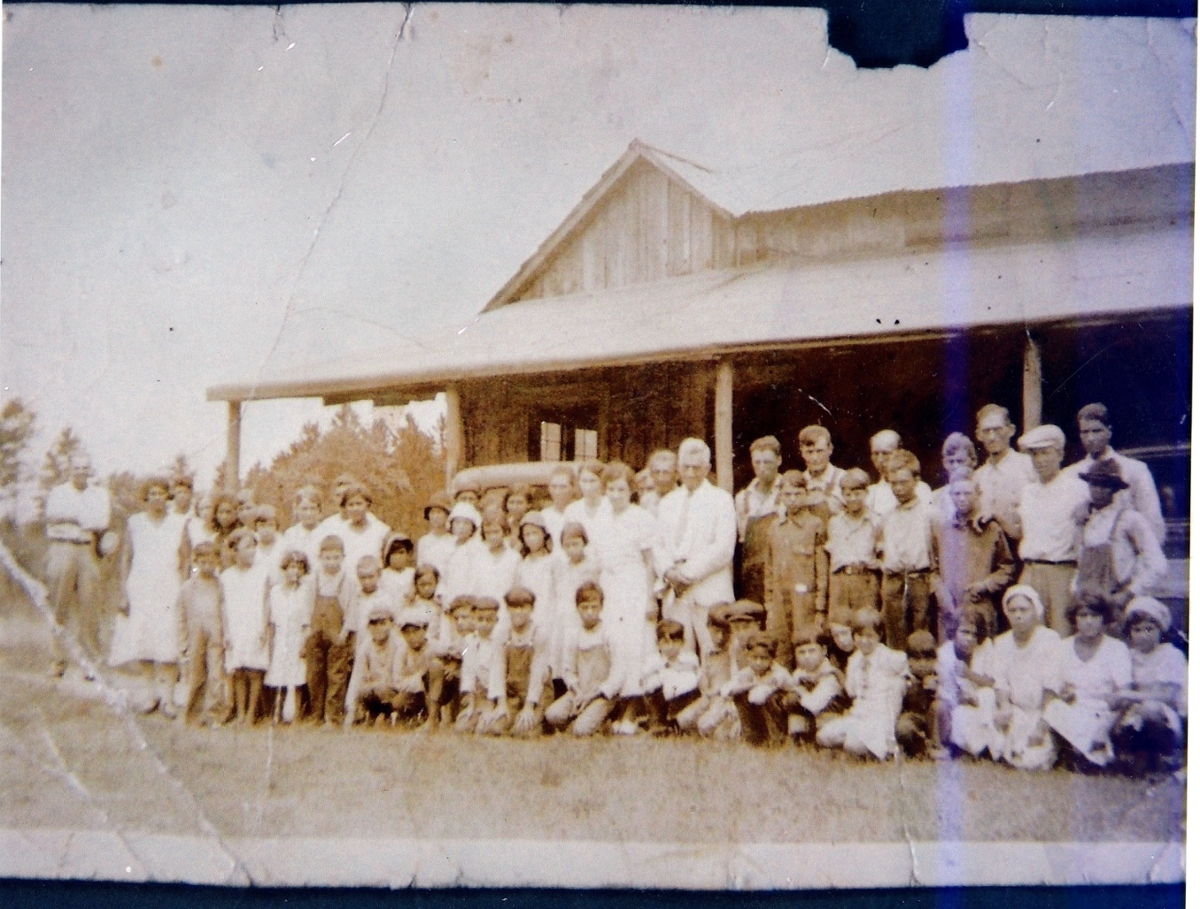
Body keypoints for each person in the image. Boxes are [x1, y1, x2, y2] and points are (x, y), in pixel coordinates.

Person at [108, 477, 187, 714]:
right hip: (141, 587)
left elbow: (185, 560)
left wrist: (182, 589)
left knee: (169, 644)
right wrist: (123, 592)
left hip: (169, 587)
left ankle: (169, 699)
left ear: (167, 497)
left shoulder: (179, 522)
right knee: (143, 641)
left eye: (161, 493)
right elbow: (126, 559)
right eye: (152, 493)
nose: (157, 498)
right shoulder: (135, 523)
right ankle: (150, 694)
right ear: (145, 497)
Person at [653, 438, 737, 659]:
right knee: (679, 657)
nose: (690, 473)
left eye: (696, 467)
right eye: (686, 467)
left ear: (707, 468)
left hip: (708, 591)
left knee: (715, 654)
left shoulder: (721, 500)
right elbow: (658, 545)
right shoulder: (667, 502)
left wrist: (686, 574)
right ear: (678, 468)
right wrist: (669, 573)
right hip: (675, 594)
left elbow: (723, 549)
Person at [594, 462, 658, 719]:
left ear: (631, 490)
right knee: (614, 643)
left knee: (636, 645)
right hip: (610, 586)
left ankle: (635, 709)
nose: (616, 495)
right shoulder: (601, 516)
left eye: (621, 489)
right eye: (611, 489)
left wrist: (651, 597)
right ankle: (615, 704)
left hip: (634, 584)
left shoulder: (641, 518)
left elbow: (650, 561)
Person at [1015, 424, 1091, 635]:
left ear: (1060, 453)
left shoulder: (1077, 489)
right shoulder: (1028, 492)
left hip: (1061, 572)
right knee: (1030, 635)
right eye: (1035, 455)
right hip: (1030, 571)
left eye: (1045, 453)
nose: (1040, 460)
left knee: (1062, 635)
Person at [1043, 590, 1132, 770]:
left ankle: (1084, 752)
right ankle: (1090, 752)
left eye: (1095, 615)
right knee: (1053, 709)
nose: (1089, 621)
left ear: (1104, 618)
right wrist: (1061, 697)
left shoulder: (1116, 649)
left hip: (1104, 715)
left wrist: (1104, 728)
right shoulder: (1062, 647)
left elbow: (1125, 695)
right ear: (1074, 618)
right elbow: (1050, 692)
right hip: (1072, 714)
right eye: (1083, 615)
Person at [43, 452, 112, 675]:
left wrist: (72, 518)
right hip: (62, 547)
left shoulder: (98, 494)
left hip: (86, 548)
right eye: (77, 468)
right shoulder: (58, 492)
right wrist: (78, 518)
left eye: (85, 468)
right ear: (69, 469)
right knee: (58, 605)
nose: (81, 472)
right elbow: (52, 516)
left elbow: (101, 521)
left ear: (89, 471)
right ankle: (57, 661)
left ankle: (90, 664)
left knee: (89, 606)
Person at [929, 469, 1015, 640]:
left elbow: (1007, 568)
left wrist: (985, 585)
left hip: (979, 608)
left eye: (967, 493)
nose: (962, 498)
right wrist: (942, 594)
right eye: (957, 493)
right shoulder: (941, 529)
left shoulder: (990, 529)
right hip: (949, 609)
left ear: (978, 494)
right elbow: (933, 569)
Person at [1065, 403, 1166, 545]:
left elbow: (1153, 522)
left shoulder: (1135, 470)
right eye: (1085, 432)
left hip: (1124, 556)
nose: (1090, 438)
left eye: (1097, 431)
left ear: (1109, 431)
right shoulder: (1071, 474)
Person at [815, 608, 908, 760]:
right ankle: (856, 751)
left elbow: (906, 672)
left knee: (853, 745)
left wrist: (901, 684)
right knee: (823, 736)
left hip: (879, 718)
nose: (864, 641)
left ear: (879, 636)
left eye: (870, 636)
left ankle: (883, 750)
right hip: (858, 715)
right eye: (859, 636)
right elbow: (852, 692)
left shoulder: (889, 658)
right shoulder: (854, 660)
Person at [1075, 460, 1167, 608]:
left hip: (1116, 603)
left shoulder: (1129, 519)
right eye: (1094, 484)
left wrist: (1129, 593)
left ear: (1114, 489)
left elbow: (1158, 564)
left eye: (1104, 485)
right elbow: (1079, 567)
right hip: (1087, 606)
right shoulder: (1087, 520)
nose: (1098, 489)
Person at [988, 586, 1062, 771]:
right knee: (985, 698)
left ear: (1035, 611)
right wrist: (1004, 706)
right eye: (1012, 611)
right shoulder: (1002, 642)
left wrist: (1041, 727)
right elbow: (1000, 681)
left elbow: (1051, 688)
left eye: (1023, 610)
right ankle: (1005, 747)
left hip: (1042, 713)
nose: (1018, 615)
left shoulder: (1050, 640)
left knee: (1032, 760)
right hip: (1014, 711)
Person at [1112, 597, 1187, 775]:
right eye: (1137, 630)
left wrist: (1131, 696)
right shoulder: (1128, 656)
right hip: (1133, 713)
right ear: (1129, 632)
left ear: (1160, 630)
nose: (1143, 635)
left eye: (1149, 629)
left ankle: (1158, 757)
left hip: (1164, 715)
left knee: (1149, 710)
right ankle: (1132, 757)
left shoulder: (1171, 655)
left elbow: (1168, 695)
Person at [762, 470, 829, 666]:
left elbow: (822, 572)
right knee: (781, 651)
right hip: (779, 602)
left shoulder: (815, 525)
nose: (792, 500)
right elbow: (769, 569)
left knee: (806, 649)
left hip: (805, 603)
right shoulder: (775, 527)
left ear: (806, 494)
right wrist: (769, 605)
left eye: (797, 494)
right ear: (781, 495)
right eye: (787, 494)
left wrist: (820, 609)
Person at [545, 582, 621, 736]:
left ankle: (603, 721)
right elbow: (568, 670)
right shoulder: (574, 634)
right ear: (577, 608)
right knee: (552, 714)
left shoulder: (609, 633)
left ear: (601, 607)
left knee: (581, 730)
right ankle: (578, 722)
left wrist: (595, 694)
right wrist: (577, 691)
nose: (589, 612)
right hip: (579, 692)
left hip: (601, 694)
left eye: (594, 607)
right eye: (584, 607)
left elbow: (618, 673)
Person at [877, 450, 934, 650]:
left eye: (903, 482)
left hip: (919, 582)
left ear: (916, 480)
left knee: (920, 637)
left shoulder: (929, 512)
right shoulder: (888, 516)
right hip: (893, 583)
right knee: (894, 638)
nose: (899, 488)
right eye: (894, 483)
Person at [304, 534, 357, 726]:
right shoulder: (313, 580)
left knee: (336, 675)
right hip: (316, 631)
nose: (332, 562)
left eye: (336, 558)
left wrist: (344, 633)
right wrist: (308, 630)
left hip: (337, 633)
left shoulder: (348, 581)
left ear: (343, 557)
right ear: (320, 557)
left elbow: (352, 609)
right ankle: (316, 715)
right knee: (314, 674)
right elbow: (307, 606)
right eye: (327, 558)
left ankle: (332, 717)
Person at [220, 529, 271, 724]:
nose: (252, 551)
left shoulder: (261, 573)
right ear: (234, 551)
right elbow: (224, 606)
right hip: (235, 626)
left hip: (255, 624)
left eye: (254, 547)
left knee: (254, 670)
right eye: (247, 547)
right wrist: (226, 631)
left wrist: (264, 627)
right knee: (238, 670)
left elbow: (266, 602)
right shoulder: (226, 576)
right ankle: (240, 712)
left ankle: (251, 714)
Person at [936, 608, 998, 759]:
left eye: (975, 634)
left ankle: (991, 748)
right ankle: (967, 750)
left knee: (987, 694)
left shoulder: (986, 647)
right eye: (965, 632)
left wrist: (969, 675)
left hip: (985, 705)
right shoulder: (945, 653)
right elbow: (946, 690)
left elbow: (993, 683)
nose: (970, 638)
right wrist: (963, 699)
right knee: (960, 715)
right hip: (960, 705)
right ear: (954, 632)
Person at [176, 541, 226, 726]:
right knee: (196, 675)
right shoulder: (189, 587)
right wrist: (183, 641)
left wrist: (225, 634)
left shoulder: (219, 585)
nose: (207, 566)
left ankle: (214, 714)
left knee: (216, 675)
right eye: (203, 562)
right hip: (195, 635)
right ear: (196, 561)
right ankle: (193, 714)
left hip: (215, 635)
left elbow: (224, 611)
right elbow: (181, 615)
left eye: (211, 562)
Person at [720, 631, 797, 747]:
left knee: (770, 697)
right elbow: (726, 690)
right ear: (747, 656)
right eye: (754, 657)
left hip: (782, 712)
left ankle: (776, 739)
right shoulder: (748, 672)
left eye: (764, 658)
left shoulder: (778, 673)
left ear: (772, 659)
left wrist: (754, 686)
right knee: (740, 695)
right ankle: (752, 737)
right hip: (760, 710)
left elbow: (759, 696)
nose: (758, 662)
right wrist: (748, 686)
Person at [973, 404, 1037, 544]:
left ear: (1011, 430)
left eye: (997, 429)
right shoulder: (978, 477)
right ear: (978, 435)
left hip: (1025, 547)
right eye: (986, 431)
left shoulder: (1028, 467)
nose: (992, 437)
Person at [825, 468, 880, 628]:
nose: (853, 499)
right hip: (840, 580)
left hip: (865, 580)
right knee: (839, 625)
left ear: (866, 493)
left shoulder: (875, 521)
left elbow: (881, 556)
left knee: (865, 625)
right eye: (848, 495)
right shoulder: (835, 523)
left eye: (857, 494)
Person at [265, 551, 315, 724]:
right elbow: (271, 621)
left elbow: (306, 621)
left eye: (299, 568)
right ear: (284, 569)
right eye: (292, 567)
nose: (295, 571)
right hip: (280, 638)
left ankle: (297, 716)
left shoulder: (304, 591)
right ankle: (276, 713)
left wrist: (304, 643)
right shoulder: (275, 591)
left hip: (297, 637)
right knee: (279, 674)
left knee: (298, 675)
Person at [549, 521, 601, 689]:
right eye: (567, 545)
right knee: (561, 653)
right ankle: (562, 689)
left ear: (584, 543)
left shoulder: (592, 566)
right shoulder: (560, 566)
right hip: (563, 615)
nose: (572, 549)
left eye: (576, 544)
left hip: (580, 614)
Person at [675, 605, 739, 739]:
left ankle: (721, 729)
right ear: (708, 627)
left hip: (723, 698)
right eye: (716, 631)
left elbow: (735, 679)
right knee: (683, 719)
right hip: (708, 697)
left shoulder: (732, 651)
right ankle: (700, 736)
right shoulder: (707, 649)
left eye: (725, 632)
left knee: (705, 724)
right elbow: (704, 676)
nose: (721, 637)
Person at [733, 436, 784, 604]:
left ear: (779, 460)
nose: (762, 468)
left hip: (781, 571)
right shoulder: (742, 498)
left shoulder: (788, 493)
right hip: (752, 576)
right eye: (757, 463)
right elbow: (742, 538)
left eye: (767, 462)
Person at [501, 586, 555, 737]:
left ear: (531, 609)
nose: (518, 612)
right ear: (508, 609)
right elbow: (497, 669)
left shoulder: (538, 634)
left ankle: (541, 722)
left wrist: (529, 706)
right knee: (495, 728)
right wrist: (500, 703)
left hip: (536, 695)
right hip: (513, 695)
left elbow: (538, 672)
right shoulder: (503, 633)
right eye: (513, 607)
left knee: (523, 732)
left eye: (523, 607)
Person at [316, 483, 392, 580]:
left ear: (367, 505)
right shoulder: (338, 532)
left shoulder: (381, 530)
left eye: (359, 504)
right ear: (345, 508)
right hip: (346, 586)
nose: (355, 508)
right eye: (351, 505)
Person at [344, 606, 405, 727]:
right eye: (373, 624)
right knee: (363, 690)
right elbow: (357, 678)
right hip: (374, 689)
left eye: (382, 623)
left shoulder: (399, 644)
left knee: (382, 689)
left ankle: (391, 717)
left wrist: (378, 680)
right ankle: (370, 715)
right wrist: (350, 710)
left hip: (395, 690)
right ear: (368, 627)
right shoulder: (365, 646)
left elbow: (398, 678)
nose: (378, 628)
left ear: (391, 625)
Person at [639, 619, 702, 735]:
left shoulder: (689, 659)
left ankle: (679, 724)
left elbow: (697, 676)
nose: (671, 646)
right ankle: (658, 723)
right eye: (666, 642)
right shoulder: (654, 661)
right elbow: (643, 678)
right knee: (654, 682)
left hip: (683, 697)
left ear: (683, 642)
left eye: (676, 642)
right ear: (658, 643)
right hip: (661, 700)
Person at [786, 631, 846, 744]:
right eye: (801, 652)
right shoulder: (800, 673)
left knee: (800, 697)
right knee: (792, 699)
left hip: (831, 720)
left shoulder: (830, 674)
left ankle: (825, 744)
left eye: (812, 651)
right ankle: (800, 740)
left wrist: (802, 692)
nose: (807, 657)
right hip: (811, 716)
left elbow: (814, 705)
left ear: (823, 650)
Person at [426, 596, 476, 730]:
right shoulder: (459, 639)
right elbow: (444, 648)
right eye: (456, 618)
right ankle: (432, 719)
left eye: (465, 617)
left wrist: (456, 666)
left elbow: (465, 653)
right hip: (461, 682)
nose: (460, 622)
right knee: (436, 666)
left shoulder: (479, 638)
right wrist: (452, 662)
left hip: (478, 688)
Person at [865, 430, 933, 518]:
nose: (880, 460)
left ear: (899, 451)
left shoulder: (920, 489)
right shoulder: (870, 493)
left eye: (885, 453)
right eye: (876, 454)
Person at [895, 630, 940, 757]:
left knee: (938, 707)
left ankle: (936, 746)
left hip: (933, 721)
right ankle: (922, 748)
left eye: (927, 660)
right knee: (903, 728)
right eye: (917, 659)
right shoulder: (904, 678)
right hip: (914, 717)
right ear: (908, 660)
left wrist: (938, 687)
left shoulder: (939, 675)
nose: (922, 664)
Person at [514, 512, 556, 634]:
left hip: (548, 614)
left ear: (544, 535)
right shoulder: (522, 564)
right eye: (527, 534)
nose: (531, 538)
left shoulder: (552, 561)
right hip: (528, 615)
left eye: (535, 533)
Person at [391, 613, 435, 727]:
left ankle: (432, 717)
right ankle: (410, 717)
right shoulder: (402, 651)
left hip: (431, 694)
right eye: (407, 633)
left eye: (415, 631)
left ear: (424, 630)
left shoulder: (433, 648)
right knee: (398, 701)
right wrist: (419, 678)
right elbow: (397, 681)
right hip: (412, 692)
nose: (411, 636)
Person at [442, 501, 485, 607]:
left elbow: (476, 579)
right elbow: (443, 575)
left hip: (468, 601)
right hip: (449, 599)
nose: (461, 527)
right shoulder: (447, 547)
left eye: (466, 523)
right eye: (457, 523)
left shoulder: (478, 549)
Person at [798, 425, 846, 516]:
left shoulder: (843, 478)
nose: (815, 458)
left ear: (830, 449)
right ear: (801, 452)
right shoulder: (799, 481)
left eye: (820, 451)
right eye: (809, 452)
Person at [563, 459, 614, 542]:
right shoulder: (572, 510)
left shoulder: (611, 506)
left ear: (602, 482)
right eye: (584, 481)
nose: (588, 486)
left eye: (592, 481)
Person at [930, 432, 978, 519]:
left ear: (973, 461)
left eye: (960, 461)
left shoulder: (981, 492)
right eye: (951, 462)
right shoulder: (936, 498)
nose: (955, 466)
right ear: (944, 463)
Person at [280, 486, 326, 569]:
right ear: (297, 510)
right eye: (304, 509)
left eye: (313, 508)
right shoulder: (290, 534)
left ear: (319, 510)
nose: (309, 513)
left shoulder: (326, 532)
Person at [415, 491, 457, 582]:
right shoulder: (424, 541)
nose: (435, 516)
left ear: (447, 515)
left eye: (439, 512)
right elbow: (420, 568)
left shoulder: (454, 541)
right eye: (432, 512)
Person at [541, 466, 577, 545]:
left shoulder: (580, 512)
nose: (558, 492)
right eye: (554, 486)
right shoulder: (544, 516)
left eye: (563, 487)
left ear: (573, 488)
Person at [380, 532, 416, 606]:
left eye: (401, 553)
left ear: (408, 554)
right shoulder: (382, 575)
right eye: (394, 553)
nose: (397, 557)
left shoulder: (413, 574)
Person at [639, 449, 678, 517]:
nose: (660, 478)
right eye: (657, 472)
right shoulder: (646, 501)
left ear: (676, 474)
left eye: (666, 472)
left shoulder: (683, 499)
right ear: (651, 474)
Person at [206, 494, 241, 568]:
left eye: (228, 512)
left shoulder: (240, 535)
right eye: (221, 512)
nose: (224, 516)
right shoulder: (216, 537)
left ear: (235, 513)